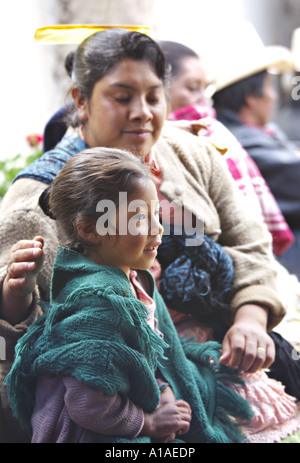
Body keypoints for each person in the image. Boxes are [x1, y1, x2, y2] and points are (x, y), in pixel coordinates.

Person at [0, 29, 287, 442]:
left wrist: (251, 319)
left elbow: (250, 245)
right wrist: (16, 302)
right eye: (122, 97)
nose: (143, 113)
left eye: (154, 97)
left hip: (211, 355)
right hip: (118, 401)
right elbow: (40, 344)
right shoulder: (44, 200)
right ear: (80, 100)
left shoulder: (193, 154)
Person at [212, 57, 300, 281]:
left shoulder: (259, 133)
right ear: (251, 97)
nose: (274, 96)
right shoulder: (240, 141)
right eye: (269, 87)